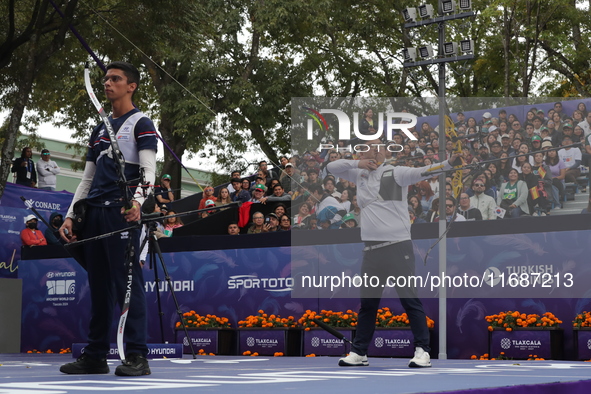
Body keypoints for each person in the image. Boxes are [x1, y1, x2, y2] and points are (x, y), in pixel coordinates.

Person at [59, 61, 157, 376]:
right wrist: (73, 215)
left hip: (121, 214)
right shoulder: (100, 128)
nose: (107, 83)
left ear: (132, 86)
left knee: (128, 285)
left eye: (115, 79)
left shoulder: (141, 122)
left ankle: (137, 356)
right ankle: (96, 355)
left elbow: (148, 172)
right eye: (105, 79)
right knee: (99, 287)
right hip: (95, 216)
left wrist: (138, 204)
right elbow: (87, 180)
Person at [329, 138, 460, 369]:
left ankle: (422, 351)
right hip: (371, 251)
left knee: (409, 300)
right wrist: (358, 163)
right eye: (370, 147)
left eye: (380, 147)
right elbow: (331, 168)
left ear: (385, 153)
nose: (375, 150)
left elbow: (424, 171)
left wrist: (449, 163)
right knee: (368, 305)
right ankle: (359, 352)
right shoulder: (358, 173)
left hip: (398, 247)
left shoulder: (396, 172)